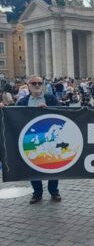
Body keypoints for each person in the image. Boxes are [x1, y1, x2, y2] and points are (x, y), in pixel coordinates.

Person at [14, 76, 62, 204]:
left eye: (39, 83)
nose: (36, 85)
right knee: (32, 165)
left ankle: (54, 191)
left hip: (49, 138)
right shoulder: (22, 101)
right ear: (28, 85)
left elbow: (62, 113)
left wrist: (49, 109)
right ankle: (37, 193)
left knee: (53, 164)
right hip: (31, 139)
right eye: (33, 83)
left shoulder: (51, 98)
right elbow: (14, 116)